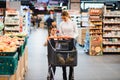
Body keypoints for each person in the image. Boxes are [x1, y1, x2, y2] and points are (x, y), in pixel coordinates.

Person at [59, 11, 78, 80]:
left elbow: (76, 32)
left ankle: (71, 77)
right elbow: (60, 32)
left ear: (67, 16)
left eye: (65, 18)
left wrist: (72, 37)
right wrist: (64, 36)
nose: (64, 19)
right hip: (64, 41)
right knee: (63, 59)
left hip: (72, 41)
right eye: (62, 18)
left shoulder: (73, 23)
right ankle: (64, 77)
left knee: (71, 59)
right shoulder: (61, 24)